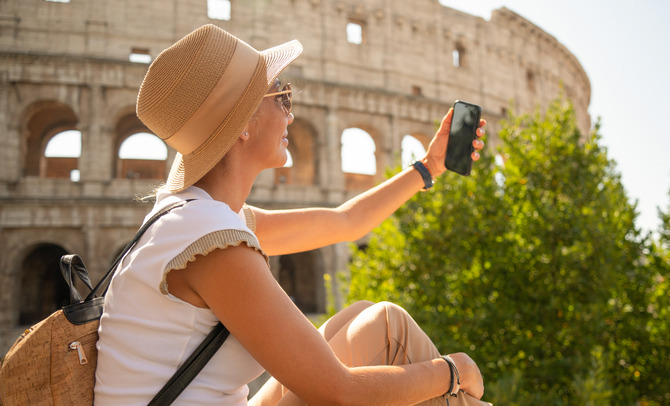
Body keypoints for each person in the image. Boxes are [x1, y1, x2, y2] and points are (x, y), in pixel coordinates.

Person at [94, 24, 491, 406]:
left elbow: (346, 222)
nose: (291, 114)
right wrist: (454, 370)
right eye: (282, 97)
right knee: (404, 343)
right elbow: (340, 393)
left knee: (375, 319)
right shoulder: (209, 240)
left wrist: (428, 167)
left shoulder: (194, 217)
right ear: (243, 124)